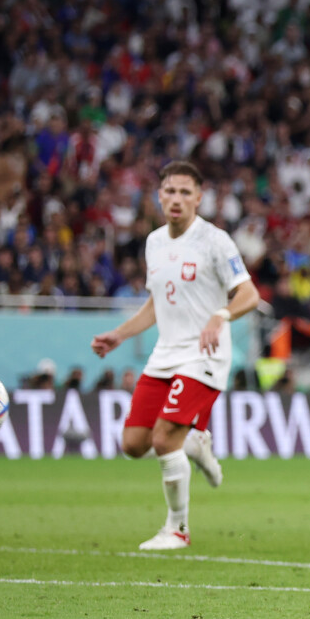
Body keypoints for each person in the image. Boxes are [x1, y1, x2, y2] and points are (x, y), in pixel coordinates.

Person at [92, 161, 260, 550]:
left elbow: (250, 295)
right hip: (165, 353)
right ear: (159, 196)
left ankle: (177, 529)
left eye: (186, 192)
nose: (177, 199)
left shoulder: (215, 241)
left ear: (199, 198)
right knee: (134, 444)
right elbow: (157, 303)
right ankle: (195, 444)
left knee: (165, 438)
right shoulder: (154, 242)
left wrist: (221, 315)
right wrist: (119, 334)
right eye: (170, 191)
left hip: (205, 355)